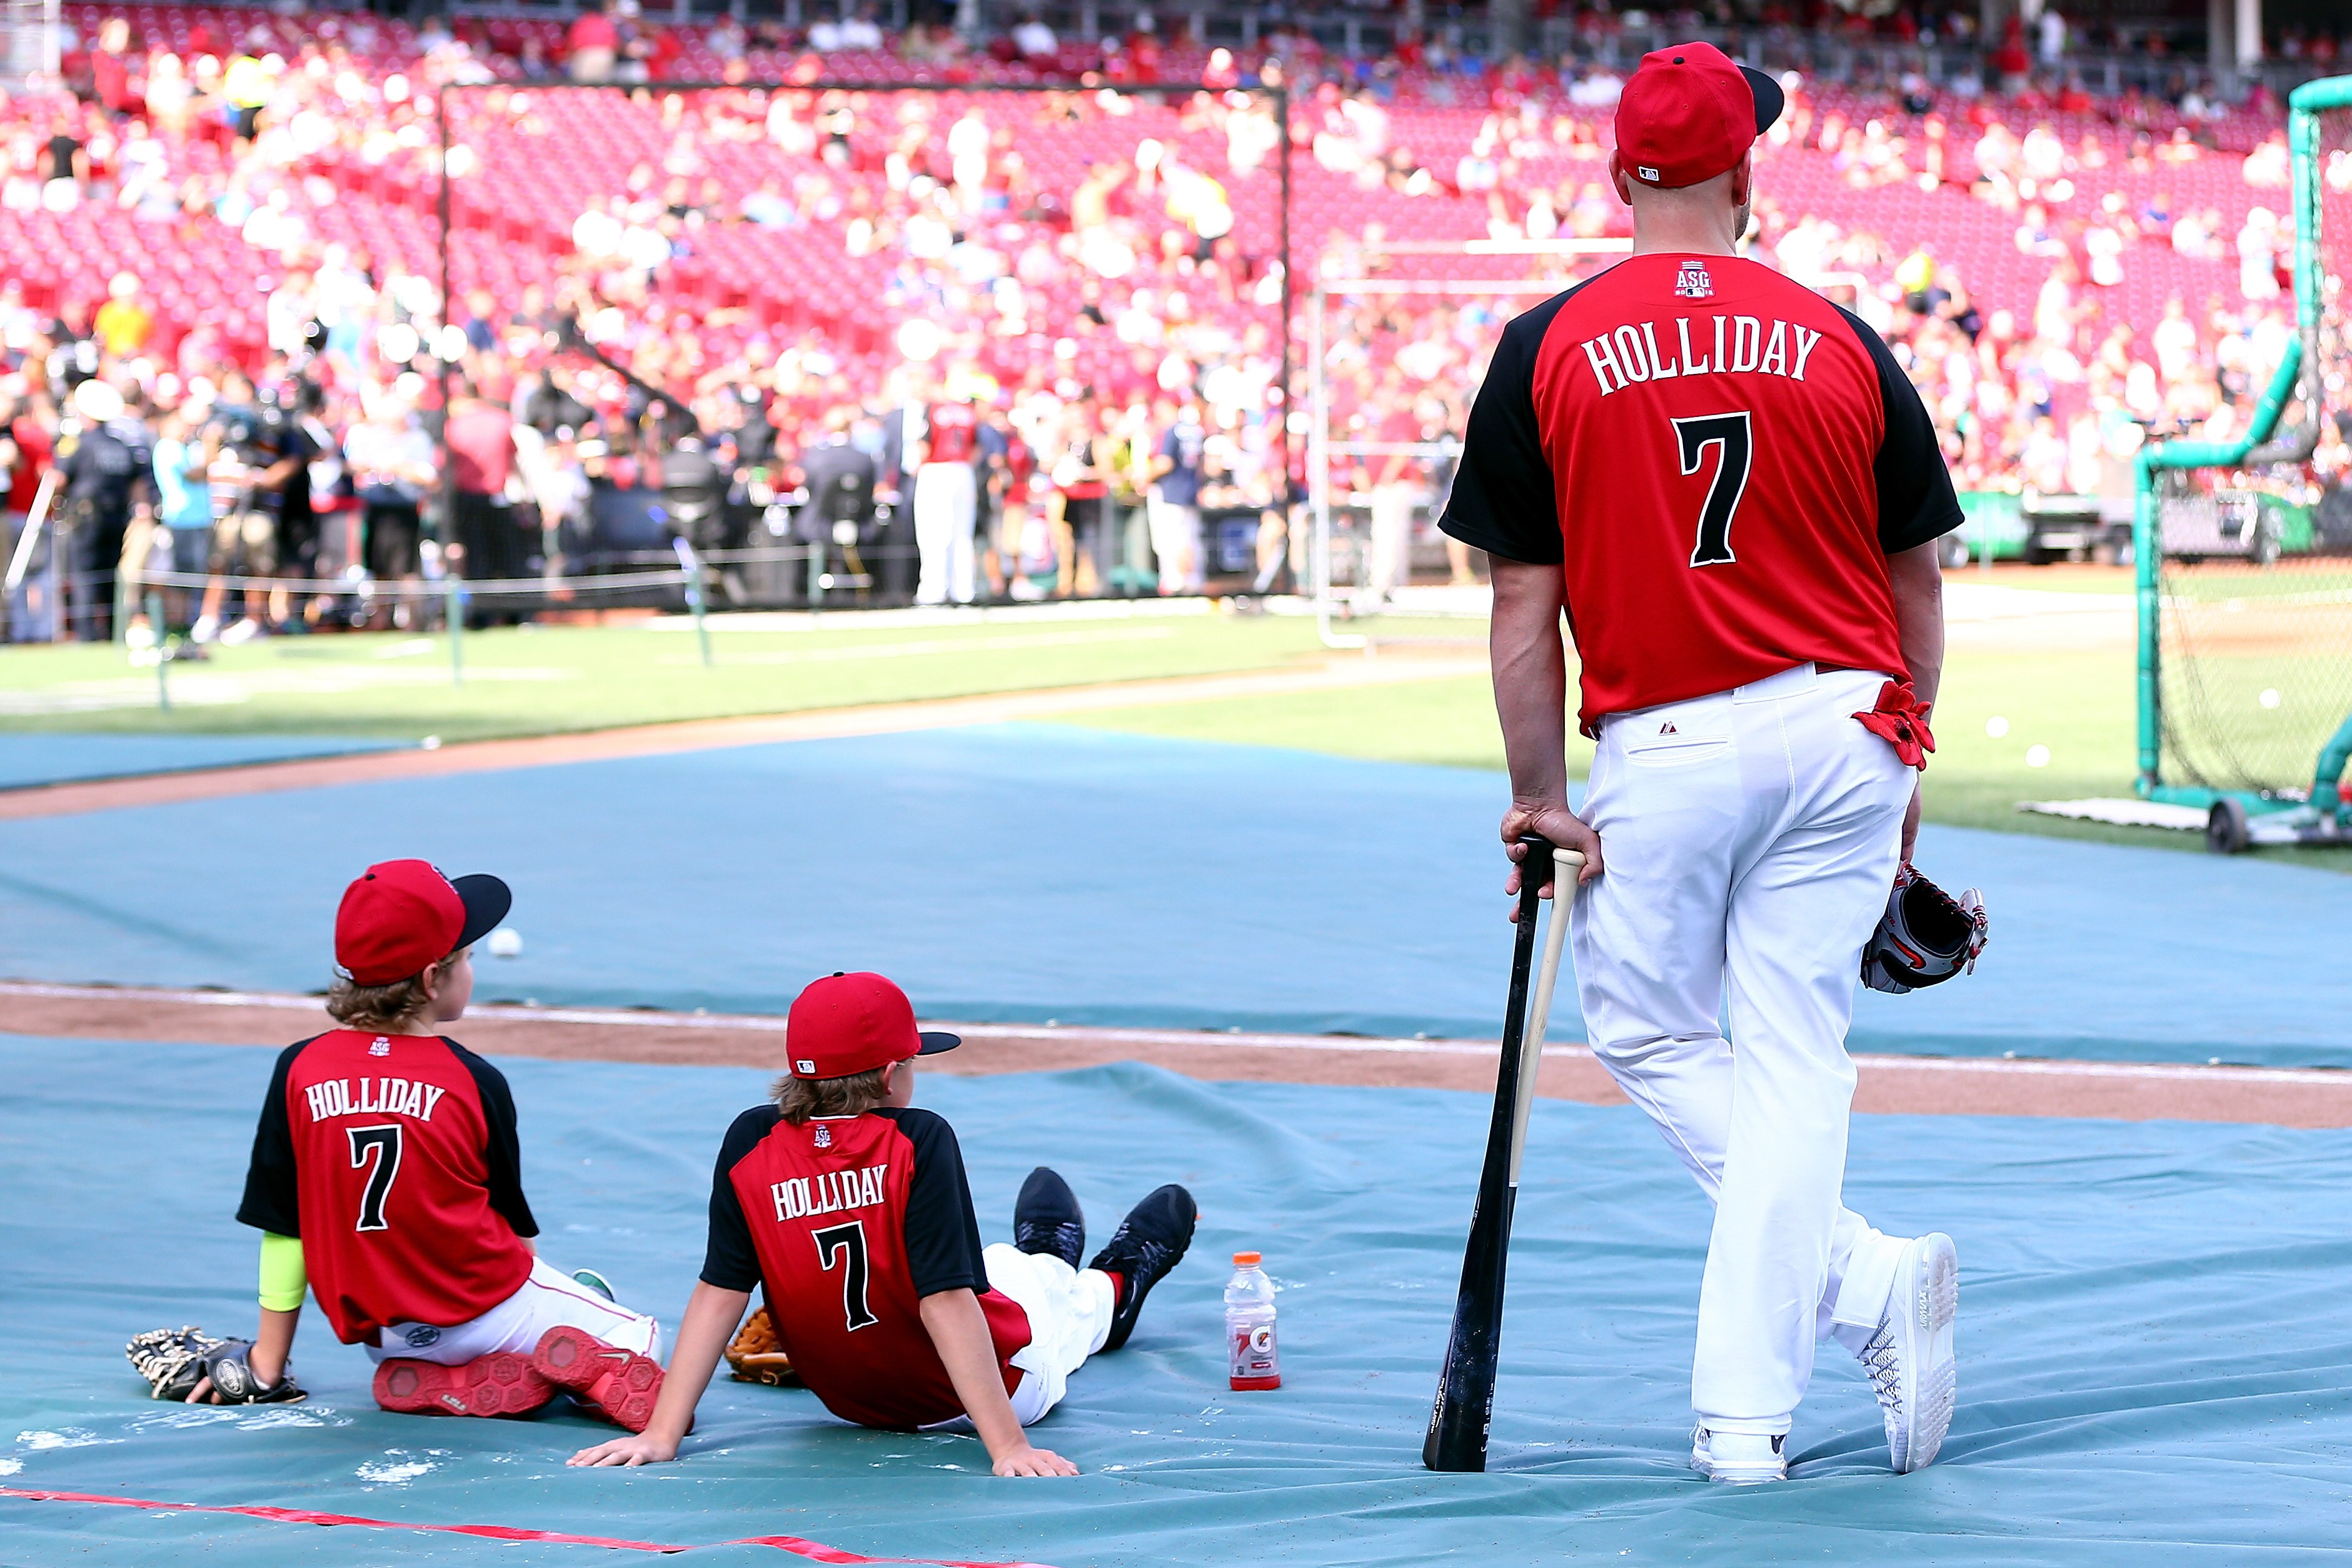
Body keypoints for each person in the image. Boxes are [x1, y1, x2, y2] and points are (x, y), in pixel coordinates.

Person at [1439, 44, 1963, 1485]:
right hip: (1848, 718)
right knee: (1798, 1057)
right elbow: (1916, 578)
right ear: (1745, 180)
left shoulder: (1543, 343)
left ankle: (1811, 1343)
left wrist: (1540, 799)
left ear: (1620, 179)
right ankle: (1807, 1341)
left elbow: (1518, 605)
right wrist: (1903, 752)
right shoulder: (1840, 335)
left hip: (1662, 736)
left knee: (1656, 1034)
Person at [564, 971, 1197, 1474]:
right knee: (1050, 1311)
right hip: (979, 1399)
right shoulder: (919, 1139)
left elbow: (721, 1288)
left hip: (850, 1404)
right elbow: (947, 1299)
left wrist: (663, 1432)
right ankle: (1112, 1283)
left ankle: (1047, 1259)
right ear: (892, 1075)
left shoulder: (749, 1138)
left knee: (1001, 1265)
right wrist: (1006, 1446)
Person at [188, 860, 668, 1431]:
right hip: (487, 1308)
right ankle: (560, 1381)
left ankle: (456, 1374)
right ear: (430, 980)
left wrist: (267, 1364)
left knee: (517, 1314)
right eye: (466, 958)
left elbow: (283, 1225)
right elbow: (515, 1233)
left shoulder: (297, 1069)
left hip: (391, 1340)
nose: (472, 968)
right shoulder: (472, 1078)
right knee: (636, 1332)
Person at [54, 377, 154, 641]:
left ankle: (87, 635)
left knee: (84, 577)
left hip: (86, 519)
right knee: (110, 577)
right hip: (116, 518)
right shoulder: (121, 446)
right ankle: (113, 633)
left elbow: (59, 480)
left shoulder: (78, 444)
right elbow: (137, 483)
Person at [911, 384, 981, 605]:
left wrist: (916, 467)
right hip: (963, 470)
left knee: (933, 533)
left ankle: (933, 591)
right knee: (962, 534)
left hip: (936, 469)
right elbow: (977, 449)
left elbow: (923, 445)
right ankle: (964, 590)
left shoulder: (933, 409)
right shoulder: (969, 411)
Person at [1146, 400, 1206, 595]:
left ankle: (1180, 582)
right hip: (1189, 490)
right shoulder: (1194, 430)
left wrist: (1143, 477)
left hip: (1172, 492)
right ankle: (1192, 579)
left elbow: (1165, 463)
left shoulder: (1172, 431)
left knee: (1175, 540)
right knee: (1189, 537)